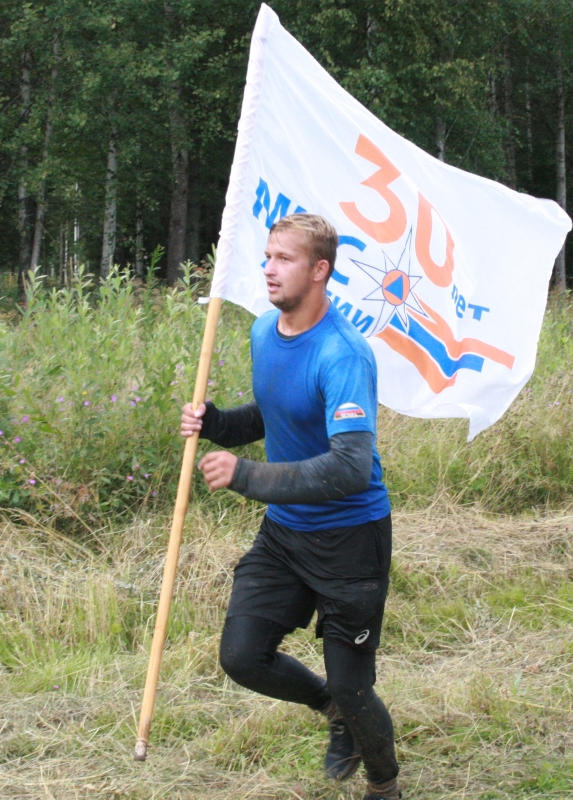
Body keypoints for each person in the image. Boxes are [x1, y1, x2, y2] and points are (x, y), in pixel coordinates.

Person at [179, 213, 401, 800]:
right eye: (268, 256)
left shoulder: (344, 354)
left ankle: (385, 783)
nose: (268, 269)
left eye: (284, 259)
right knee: (243, 655)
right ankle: (332, 711)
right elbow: (275, 411)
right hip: (285, 535)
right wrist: (219, 426)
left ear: (320, 270)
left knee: (356, 688)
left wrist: (245, 474)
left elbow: (350, 467)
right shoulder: (262, 333)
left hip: (352, 540)